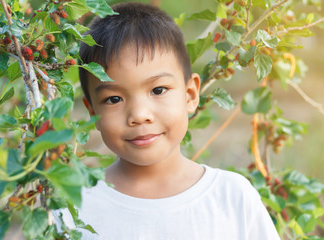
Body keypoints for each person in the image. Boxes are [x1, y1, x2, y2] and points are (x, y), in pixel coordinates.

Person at [53, 2, 281, 239]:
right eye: (114, 99)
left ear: (190, 95)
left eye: (158, 90)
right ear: (92, 113)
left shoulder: (232, 197)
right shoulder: (72, 208)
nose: (139, 115)